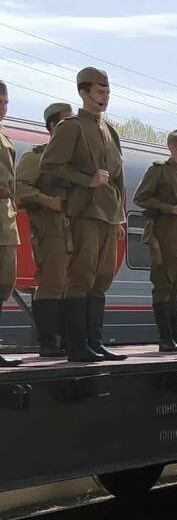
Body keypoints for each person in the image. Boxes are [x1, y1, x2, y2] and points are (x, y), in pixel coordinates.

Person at [41, 67, 127, 363]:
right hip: (85, 211)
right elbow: (50, 166)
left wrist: (121, 216)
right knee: (81, 275)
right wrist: (85, 180)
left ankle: (94, 341)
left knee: (101, 277)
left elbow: (119, 177)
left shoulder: (109, 130)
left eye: (107, 92)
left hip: (108, 214)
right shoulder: (71, 127)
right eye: (99, 92)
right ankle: (76, 345)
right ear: (83, 92)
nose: (104, 98)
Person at [16, 103, 75, 358]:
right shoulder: (36, 157)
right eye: (65, 122)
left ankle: (68, 339)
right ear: (53, 126)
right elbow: (20, 189)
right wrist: (47, 200)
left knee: (72, 285)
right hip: (50, 227)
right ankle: (49, 341)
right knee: (52, 282)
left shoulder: (76, 160)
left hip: (76, 229)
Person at [132, 129, 177, 353]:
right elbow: (140, 197)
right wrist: (169, 208)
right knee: (162, 287)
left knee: (175, 289)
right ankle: (165, 338)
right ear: (172, 146)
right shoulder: (159, 170)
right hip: (164, 238)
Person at [0, 81, 15, 367]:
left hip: (5, 216)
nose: (2, 107)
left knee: (5, 280)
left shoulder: (5, 138)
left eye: (5, 101)